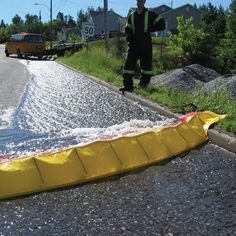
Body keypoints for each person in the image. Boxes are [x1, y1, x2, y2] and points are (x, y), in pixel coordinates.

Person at [120, 0, 165, 93]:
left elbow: (162, 24)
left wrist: (150, 29)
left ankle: (143, 86)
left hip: (146, 45)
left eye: (141, 0)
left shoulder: (150, 14)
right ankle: (128, 86)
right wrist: (129, 39)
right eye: (138, 0)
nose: (140, 2)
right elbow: (128, 29)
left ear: (144, 2)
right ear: (136, 2)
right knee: (128, 65)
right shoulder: (132, 15)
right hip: (133, 45)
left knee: (146, 68)